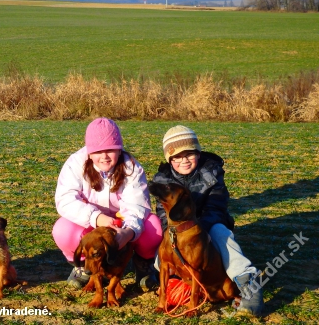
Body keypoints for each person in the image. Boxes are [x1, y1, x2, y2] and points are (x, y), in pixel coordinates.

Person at [152, 125, 264, 316]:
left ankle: (248, 282)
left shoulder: (211, 173)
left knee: (222, 236)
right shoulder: (163, 179)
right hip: (178, 230)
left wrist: (198, 231)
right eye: (176, 156)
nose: (184, 160)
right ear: (169, 159)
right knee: (159, 260)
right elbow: (163, 213)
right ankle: (169, 281)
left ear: (198, 152)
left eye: (189, 154)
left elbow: (216, 206)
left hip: (208, 225)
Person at [53, 118, 163, 290]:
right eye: (98, 151)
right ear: (89, 152)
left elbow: (137, 205)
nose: (104, 156)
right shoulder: (75, 163)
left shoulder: (131, 167)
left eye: (111, 150)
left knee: (153, 227)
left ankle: (143, 265)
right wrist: (96, 217)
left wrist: (128, 232)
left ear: (119, 150)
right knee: (63, 230)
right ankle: (84, 266)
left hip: (122, 223)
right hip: (90, 223)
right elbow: (65, 199)